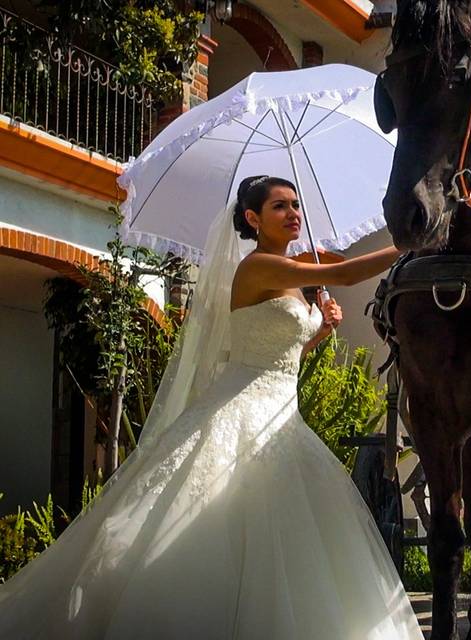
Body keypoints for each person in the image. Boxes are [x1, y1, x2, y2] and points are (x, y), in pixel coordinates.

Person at [0, 176, 424, 640]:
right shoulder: (259, 267)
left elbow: (282, 360)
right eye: (279, 206)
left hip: (283, 418)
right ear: (252, 218)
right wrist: (418, 239)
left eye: (295, 204)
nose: (293, 213)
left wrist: (317, 331)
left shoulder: (289, 274)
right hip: (240, 411)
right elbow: (344, 275)